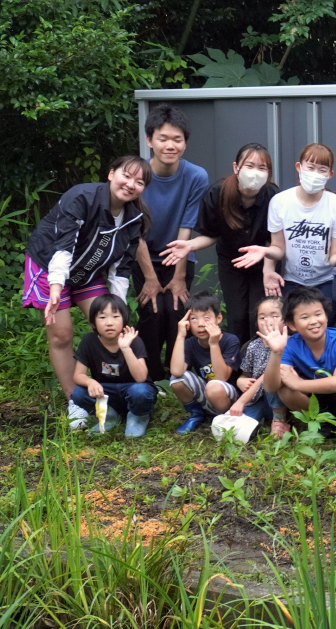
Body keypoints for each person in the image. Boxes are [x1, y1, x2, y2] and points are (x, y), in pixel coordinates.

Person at [23, 155, 152, 428]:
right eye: (126, 176)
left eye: (139, 182)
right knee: (61, 333)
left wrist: (120, 310)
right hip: (50, 263)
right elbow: (64, 245)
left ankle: (121, 394)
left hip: (88, 272)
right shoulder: (82, 196)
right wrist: (57, 286)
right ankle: (76, 401)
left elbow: (121, 269)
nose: (130, 184)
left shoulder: (133, 219)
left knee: (111, 324)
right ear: (111, 173)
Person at [161, 143, 278, 344]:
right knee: (237, 317)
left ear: (269, 173)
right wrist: (190, 245)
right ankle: (237, 368)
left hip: (264, 263)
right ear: (236, 168)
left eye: (262, 168)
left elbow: (273, 240)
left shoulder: (274, 197)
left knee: (259, 316)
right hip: (231, 262)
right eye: (249, 166)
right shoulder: (218, 192)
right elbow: (211, 234)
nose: (255, 173)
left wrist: (268, 269)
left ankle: (263, 368)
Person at [134, 105, 210, 381]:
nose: (170, 145)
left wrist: (178, 277)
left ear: (185, 143)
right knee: (152, 312)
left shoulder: (196, 176)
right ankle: (150, 375)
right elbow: (136, 231)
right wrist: (150, 278)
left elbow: (186, 226)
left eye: (177, 139)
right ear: (149, 140)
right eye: (163, 138)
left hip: (179, 255)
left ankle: (177, 374)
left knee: (177, 311)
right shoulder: (137, 175)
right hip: (143, 257)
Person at [257, 143, 336, 320]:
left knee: (321, 330)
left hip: (325, 282)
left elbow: (335, 253)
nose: (315, 174)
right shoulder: (280, 202)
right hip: (291, 281)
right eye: (310, 167)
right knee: (292, 331)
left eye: (322, 169)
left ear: (330, 175)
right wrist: (265, 255)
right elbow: (278, 248)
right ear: (299, 167)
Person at [261, 286, 336, 426]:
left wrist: (299, 384)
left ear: (326, 316)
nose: (313, 321)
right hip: (318, 397)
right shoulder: (290, 345)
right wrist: (276, 353)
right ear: (292, 324)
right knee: (285, 390)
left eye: (318, 314)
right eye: (305, 317)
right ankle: (321, 424)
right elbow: (271, 387)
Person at [69, 294, 156, 437]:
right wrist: (90, 381)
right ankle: (109, 416)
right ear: (93, 322)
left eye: (115, 317)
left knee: (141, 391)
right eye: (102, 318)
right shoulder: (88, 341)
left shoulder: (134, 341)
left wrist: (126, 348)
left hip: (132, 389)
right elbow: (78, 375)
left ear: (124, 320)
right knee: (78, 393)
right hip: (105, 392)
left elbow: (141, 377)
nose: (109, 323)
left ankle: (138, 417)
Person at [170, 291, 242, 434]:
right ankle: (196, 414)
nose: (201, 324)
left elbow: (222, 378)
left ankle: (225, 418)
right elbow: (177, 371)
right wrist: (180, 336)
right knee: (176, 380)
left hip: (230, 398)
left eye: (207, 318)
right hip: (208, 394)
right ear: (188, 323)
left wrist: (214, 344)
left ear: (219, 318)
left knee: (214, 386)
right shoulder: (190, 344)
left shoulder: (230, 340)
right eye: (194, 319)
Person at [224, 296, 290, 439]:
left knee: (273, 378)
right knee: (237, 429)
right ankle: (263, 420)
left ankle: (280, 420)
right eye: (262, 318)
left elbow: (267, 376)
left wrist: (241, 401)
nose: (268, 321)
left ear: (285, 319)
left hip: (282, 400)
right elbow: (246, 373)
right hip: (257, 399)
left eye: (275, 316)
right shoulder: (253, 346)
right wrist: (240, 381)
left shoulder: (290, 344)